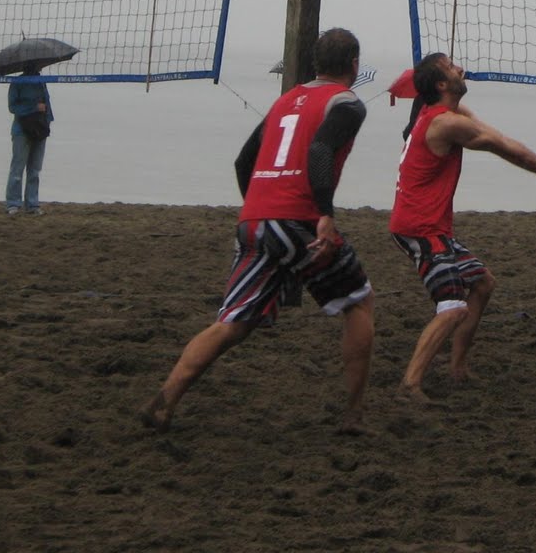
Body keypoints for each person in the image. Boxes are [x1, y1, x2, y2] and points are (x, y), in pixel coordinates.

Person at [142, 28, 375, 435]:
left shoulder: (284, 101)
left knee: (232, 324)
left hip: (253, 220)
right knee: (358, 303)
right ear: (354, 64)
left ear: (315, 64)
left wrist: (261, 209)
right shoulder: (347, 103)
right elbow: (320, 150)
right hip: (300, 220)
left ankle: (164, 401)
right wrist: (324, 214)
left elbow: (242, 162)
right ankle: (354, 417)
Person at [390, 52, 536, 401]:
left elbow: (498, 139)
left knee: (482, 284)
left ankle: (457, 368)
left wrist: (454, 90)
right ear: (440, 84)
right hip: (419, 229)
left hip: (432, 226)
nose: (460, 68)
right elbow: (506, 147)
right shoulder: (443, 123)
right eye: (452, 67)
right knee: (452, 308)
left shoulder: (448, 115)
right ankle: (410, 384)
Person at [5, 63, 53, 216]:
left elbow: (47, 105)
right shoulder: (18, 82)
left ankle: (32, 204)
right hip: (22, 130)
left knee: (35, 170)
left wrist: (47, 122)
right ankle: (13, 204)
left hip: (39, 129)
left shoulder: (41, 81)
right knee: (17, 170)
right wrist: (33, 107)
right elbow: (13, 107)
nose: (39, 67)